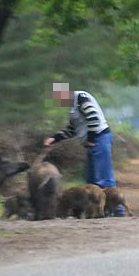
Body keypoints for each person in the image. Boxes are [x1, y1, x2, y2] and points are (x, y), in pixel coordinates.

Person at [44, 82, 125, 215]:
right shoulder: (72, 107)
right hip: (91, 141)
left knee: (103, 176)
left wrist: (92, 139)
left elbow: (93, 118)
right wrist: (54, 138)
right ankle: (96, 210)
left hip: (99, 137)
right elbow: (72, 129)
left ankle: (116, 210)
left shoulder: (81, 98)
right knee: (91, 179)